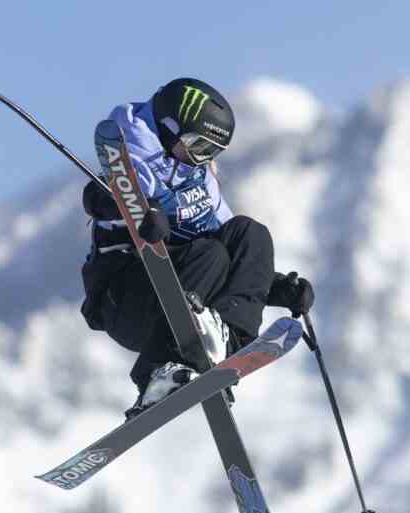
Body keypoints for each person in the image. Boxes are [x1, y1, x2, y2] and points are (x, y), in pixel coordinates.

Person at [80, 77, 314, 419]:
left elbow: (232, 240)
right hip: (127, 300)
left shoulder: (198, 175)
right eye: (198, 146)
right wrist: (137, 211)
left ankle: (227, 346)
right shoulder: (133, 159)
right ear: (170, 128)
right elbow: (97, 198)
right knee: (210, 254)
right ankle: (157, 373)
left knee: (251, 233)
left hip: (186, 295)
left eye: (211, 153)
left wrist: (274, 287)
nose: (200, 159)